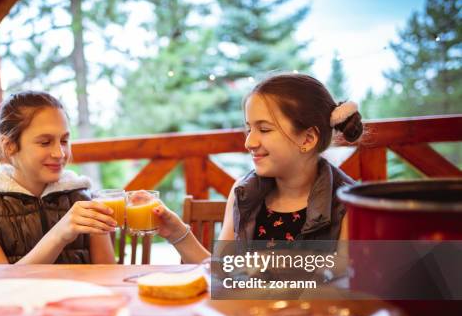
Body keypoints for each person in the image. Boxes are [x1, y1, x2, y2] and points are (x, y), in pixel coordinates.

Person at [154, 73, 363, 263]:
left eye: (264, 129)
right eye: (248, 129)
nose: (249, 142)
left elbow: (347, 289)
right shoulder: (243, 192)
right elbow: (220, 273)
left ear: (307, 139)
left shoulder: (348, 206)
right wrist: (177, 233)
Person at [0, 91, 116, 264]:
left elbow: (108, 275)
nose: (59, 153)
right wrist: (58, 235)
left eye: (64, 141)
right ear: (10, 145)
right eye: (45, 142)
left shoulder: (84, 198)